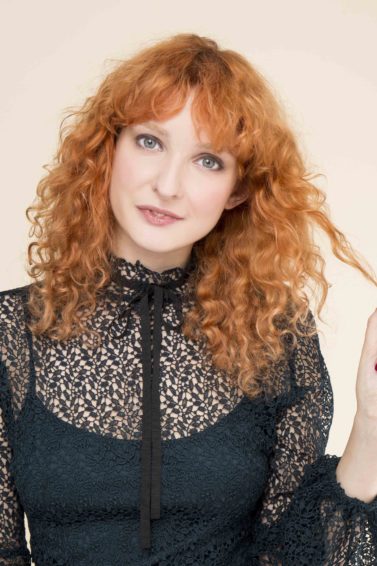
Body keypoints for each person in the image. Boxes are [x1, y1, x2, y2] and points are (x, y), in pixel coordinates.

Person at [0, 32, 376, 565]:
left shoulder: (276, 333)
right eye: (150, 142)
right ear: (108, 149)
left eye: (208, 161)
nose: (168, 185)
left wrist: (371, 428)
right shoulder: (10, 332)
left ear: (239, 190)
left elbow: (293, 556)